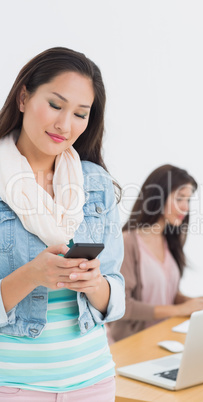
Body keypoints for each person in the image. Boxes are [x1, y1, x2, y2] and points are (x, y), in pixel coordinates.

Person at [0, 47, 125, 401]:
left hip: (93, 383)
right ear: (24, 97)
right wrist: (31, 275)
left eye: (80, 114)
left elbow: (114, 292)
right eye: (55, 105)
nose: (65, 125)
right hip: (13, 387)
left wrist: (94, 282)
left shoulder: (95, 183)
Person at [108, 164, 203, 342]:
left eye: (188, 200)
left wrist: (194, 303)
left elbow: (167, 294)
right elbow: (123, 306)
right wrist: (178, 310)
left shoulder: (169, 240)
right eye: (180, 199)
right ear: (157, 197)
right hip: (133, 344)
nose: (186, 207)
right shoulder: (127, 242)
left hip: (163, 337)